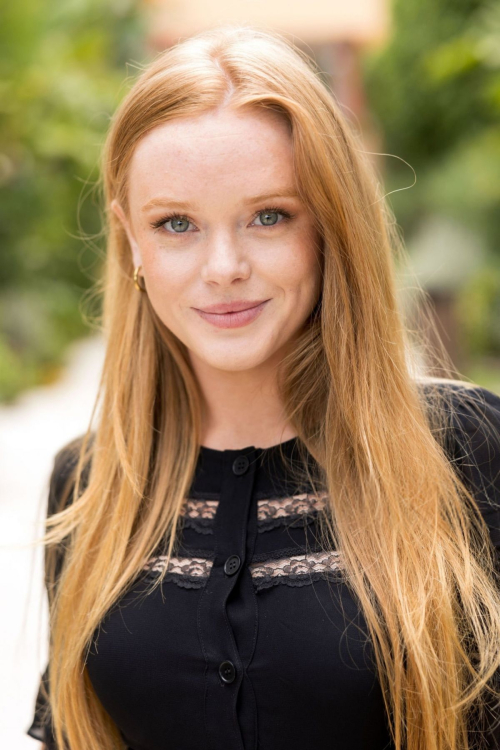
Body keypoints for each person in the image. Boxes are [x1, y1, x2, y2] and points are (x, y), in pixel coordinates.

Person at [27, 24, 500, 750]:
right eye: (176, 223)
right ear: (131, 241)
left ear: (330, 227)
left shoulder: (467, 449)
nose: (223, 267)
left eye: (269, 216)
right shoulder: (90, 483)